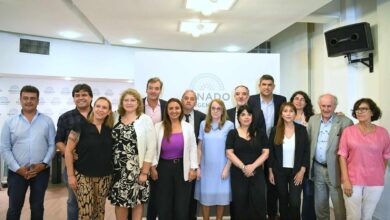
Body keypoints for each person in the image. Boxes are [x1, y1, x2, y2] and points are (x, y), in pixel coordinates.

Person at [0, 85, 56, 220]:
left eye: (32, 98)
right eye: (25, 98)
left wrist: (43, 164)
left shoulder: (47, 121)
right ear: (20, 99)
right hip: (17, 172)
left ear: (37, 100)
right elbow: (5, 148)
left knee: (37, 207)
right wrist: (18, 168)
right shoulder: (9, 122)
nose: (29, 101)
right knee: (14, 208)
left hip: (40, 172)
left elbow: (52, 145)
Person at [338, 98, 390, 220]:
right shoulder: (348, 131)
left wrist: (380, 173)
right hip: (352, 180)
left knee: (367, 216)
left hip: (375, 181)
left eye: (364, 109)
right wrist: (345, 180)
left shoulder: (383, 133)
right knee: (353, 216)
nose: (359, 112)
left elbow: (386, 156)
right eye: (357, 109)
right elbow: (342, 156)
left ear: (372, 112)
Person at [109, 89, 157, 220]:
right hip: (117, 170)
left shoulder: (145, 119)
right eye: (126, 100)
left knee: (137, 202)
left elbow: (151, 147)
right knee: (120, 203)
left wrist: (144, 172)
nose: (129, 103)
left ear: (138, 103)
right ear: (121, 102)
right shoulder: (114, 117)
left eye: (133, 100)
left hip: (137, 170)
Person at [65, 97, 114, 220]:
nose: (100, 110)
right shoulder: (79, 126)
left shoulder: (111, 129)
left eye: (104, 107)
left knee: (99, 210)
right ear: (93, 107)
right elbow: (68, 151)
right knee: (86, 211)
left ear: (109, 112)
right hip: (82, 175)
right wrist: (71, 175)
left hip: (104, 176)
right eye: (98, 106)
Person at [307, 93, 353, 220]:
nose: (326, 109)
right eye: (323, 106)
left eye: (329, 106)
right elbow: (308, 141)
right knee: (320, 203)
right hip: (317, 167)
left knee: (338, 203)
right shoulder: (313, 120)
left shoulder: (345, 122)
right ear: (319, 105)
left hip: (335, 168)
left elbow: (350, 149)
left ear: (335, 106)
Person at [248, 74, 286, 220]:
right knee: (256, 180)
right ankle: (256, 213)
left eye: (270, 84)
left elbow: (286, 117)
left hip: (276, 143)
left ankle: (271, 214)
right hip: (257, 143)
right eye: (264, 84)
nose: (267, 87)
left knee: (272, 179)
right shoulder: (251, 100)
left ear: (273, 86)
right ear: (259, 86)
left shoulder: (281, 100)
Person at [152, 98, 198, 220]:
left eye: (177, 108)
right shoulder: (158, 126)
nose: (174, 111)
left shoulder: (188, 127)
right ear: (166, 110)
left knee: (181, 204)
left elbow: (193, 148)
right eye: (171, 108)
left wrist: (193, 168)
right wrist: (152, 167)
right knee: (164, 203)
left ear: (181, 110)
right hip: (163, 168)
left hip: (183, 167)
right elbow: (153, 148)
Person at [55, 83, 93, 220]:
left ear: (91, 97)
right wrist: (68, 152)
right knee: (74, 202)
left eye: (84, 95)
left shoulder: (100, 115)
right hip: (74, 168)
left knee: (94, 202)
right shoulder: (66, 117)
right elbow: (58, 140)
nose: (80, 98)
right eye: (77, 95)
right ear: (73, 98)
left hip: (96, 167)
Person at [226, 105, 269, 220]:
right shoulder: (232, 133)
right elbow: (229, 153)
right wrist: (244, 167)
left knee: (258, 203)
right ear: (238, 118)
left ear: (252, 117)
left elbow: (266, 152)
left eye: (249, 114)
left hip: (257, 173)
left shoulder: (260, 133)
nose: (246, 117)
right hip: (238, 173)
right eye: (243, 114)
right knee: (240, 204)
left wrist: (253, 166)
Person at [268, 102, 310, 220]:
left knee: (295, 202)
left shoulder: (302, 130)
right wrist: (271, 171)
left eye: (291, 111)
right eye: (285, 111)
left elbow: (306, 152)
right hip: (279, 171)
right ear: (281, 114)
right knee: (283, 199)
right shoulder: (275, 130)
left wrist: (302, 171)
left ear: (295, 114)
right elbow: (271, 152)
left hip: (296, 171)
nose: (288, 114)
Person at [194, 99, 234, 220]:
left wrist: (227, 169)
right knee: (206, 199)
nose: (215, 111)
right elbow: (199, 147)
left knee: (221, 199)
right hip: (206, 168)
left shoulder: (229, 125)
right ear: (209, 110)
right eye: (213, 108)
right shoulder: (203, 124)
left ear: (223, 111)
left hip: (223, 166)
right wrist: (198, 166)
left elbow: (232, 150)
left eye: (218, 108)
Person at [143, 77, 167, 220]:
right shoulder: (137, 104)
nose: (153, 91)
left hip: (160, 156)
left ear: (160, 90)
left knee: (157, 194)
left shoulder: (165, 105)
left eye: (156, 88)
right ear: (146, 89)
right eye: (151, 88)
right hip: (139, 155)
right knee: (136, 195)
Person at [290, 91, 315, 220]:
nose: (299, 101)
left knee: (308, 193)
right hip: (291, 161)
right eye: (296, 98)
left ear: (306, 103)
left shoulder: (313, 118)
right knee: (293, 197)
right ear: (292, 100)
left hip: (308, 160)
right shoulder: (286, 116)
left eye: (302, 99)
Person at [181, 89, 206, 220]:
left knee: (192, 195)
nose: (189, 100)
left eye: (192, 98)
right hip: (178, 161)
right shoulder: (174, 114)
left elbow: (203, 142)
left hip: (194, 161)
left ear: (195, 102)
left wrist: (198, 164)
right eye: (186, 98)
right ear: (182, 100)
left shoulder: (202, 117)